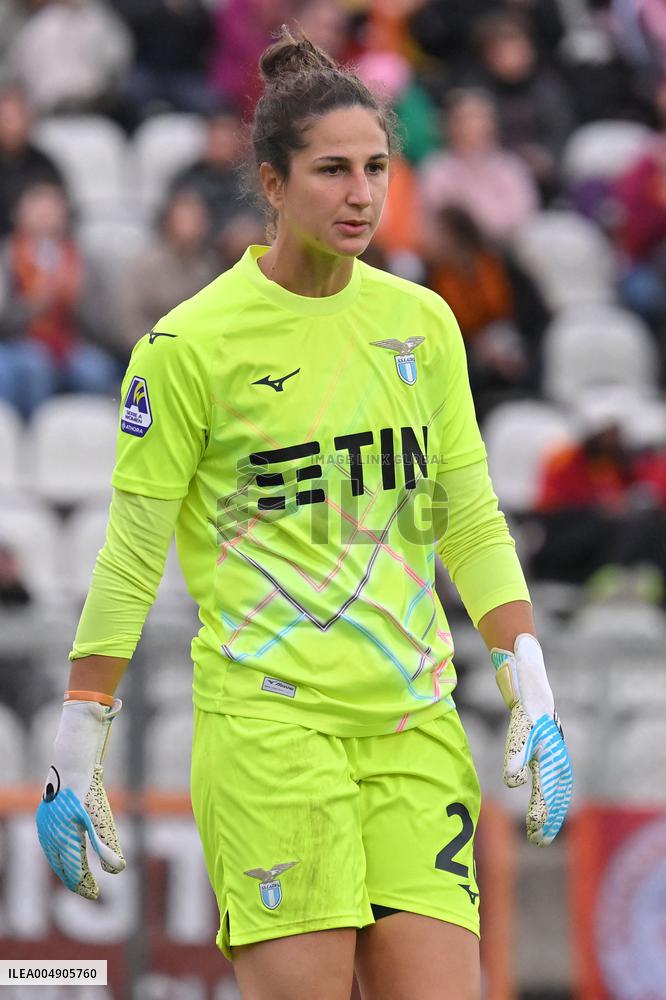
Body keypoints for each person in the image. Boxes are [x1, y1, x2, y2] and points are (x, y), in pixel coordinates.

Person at [35, 28, 573, 1000]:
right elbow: (129, 556)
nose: (361, 192)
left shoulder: (422, 321)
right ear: (273, 184)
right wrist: (78, 740)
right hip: (272, 738)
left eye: (375, 167)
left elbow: (471, 517)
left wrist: (530, 680)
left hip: (414, 727)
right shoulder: (191, 345)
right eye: (332, 170)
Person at [0, 181, 118, 419]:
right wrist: (33, 305)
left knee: (96, 370)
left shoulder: (83, 260)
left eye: (52, 207)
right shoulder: (8, 257)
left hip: (70, 344)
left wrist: (77, 297)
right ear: (20, 214)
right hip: (18, 343)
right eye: (38, 207)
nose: (45, 215)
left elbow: (104, 326)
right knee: (34, 367)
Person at [419, 88, 538, 243]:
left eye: (481, 117)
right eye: (465, 118)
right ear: (450, 124)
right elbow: (436, 219)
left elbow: (524, 215)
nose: (474, 124)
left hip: (508, 249)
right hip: (457, 251)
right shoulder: (436, 169)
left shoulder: (509, 166)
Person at [0, 83, 64, 238]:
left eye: (17, 117)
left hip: (35, 248)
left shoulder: (44, 164)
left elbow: (61, 209)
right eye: (6, 118)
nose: (13, 126)